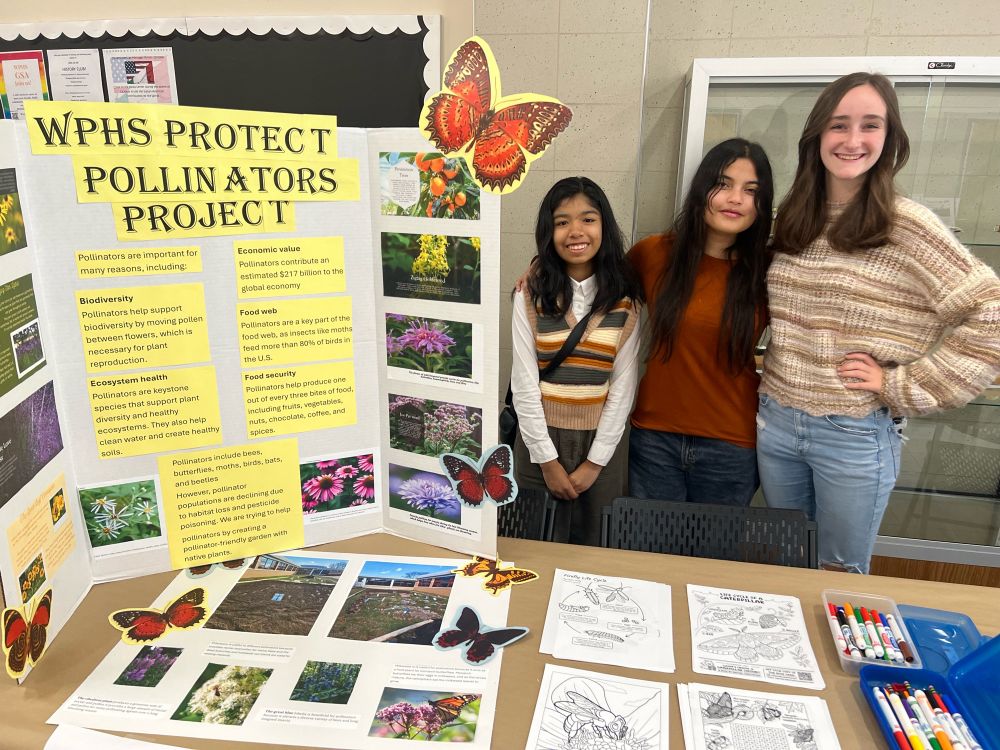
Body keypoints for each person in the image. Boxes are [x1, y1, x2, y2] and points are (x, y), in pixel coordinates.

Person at [757, 71, 1000, 573]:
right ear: (816, 136)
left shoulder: (906, 223)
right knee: (784, 563)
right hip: (777, 422)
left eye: (870, 125)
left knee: (839, 574)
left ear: (889, 140)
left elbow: (991, 314)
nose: (852, 140)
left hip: (852, 432)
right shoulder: (795, 217)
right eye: (838, 125)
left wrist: (903, 384)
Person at [628, 138, 774, 506]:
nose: (735, 199)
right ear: (701, 189)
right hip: (654, 438)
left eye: (750, 191)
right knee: (648, 559)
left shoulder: (768, 271)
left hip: (731, 445)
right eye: (723, 184)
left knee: (713, 563)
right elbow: (591, 285)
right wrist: (539, 270)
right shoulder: (654, 253)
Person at [511, 176, 642, 546]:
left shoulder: (626, 300)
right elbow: (523, 384)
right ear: (548, 232)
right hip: (539, 439)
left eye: (588, 219)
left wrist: (595, 463)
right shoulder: (529, 295)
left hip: (602, 442)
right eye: (562, 221)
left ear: (604, 226)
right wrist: (547, 461)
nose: (575, 231)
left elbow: (623, 388)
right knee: (532, 546)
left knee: (597, 549)